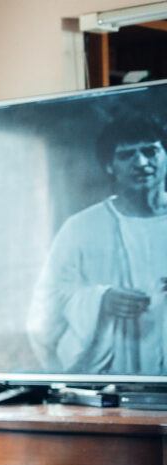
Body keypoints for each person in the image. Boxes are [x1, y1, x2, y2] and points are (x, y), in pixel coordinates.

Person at [27, 113, 167, 375]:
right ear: (110, 166)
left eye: (150, 151)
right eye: (127, 155)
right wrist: (100, 300)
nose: (141, 162)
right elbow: (45, 308)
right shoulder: (81, 228)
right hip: (110, 386)